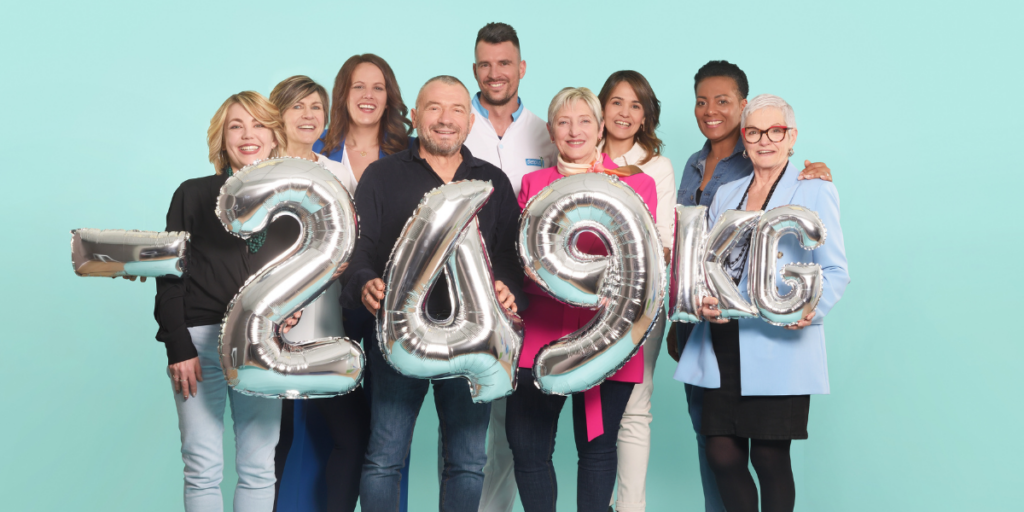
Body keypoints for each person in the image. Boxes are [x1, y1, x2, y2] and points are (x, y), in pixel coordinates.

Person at [344, 75, 523, 512]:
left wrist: (509, 287)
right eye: (435, 108)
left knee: (467, 461)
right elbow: (359, 247)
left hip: (472, 341)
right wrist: (365, 280)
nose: (446, 120)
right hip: (399, 335)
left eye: (457, 109)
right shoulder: (382, 176)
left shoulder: (493, 180)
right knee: (385, 458)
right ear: (415, 115)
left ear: (470, 119)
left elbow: (509, 255)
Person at [670, 60, 834, 512]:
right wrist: (699, 299)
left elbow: (835, 270)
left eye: (775, 131)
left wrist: (811, 310)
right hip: (722, 338)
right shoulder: (727, 191)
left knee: (768, 454)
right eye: (755, 133)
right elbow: (708, 262)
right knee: (721, 451)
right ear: (744, 137)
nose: (765, 140)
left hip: (779, 341)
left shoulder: (814, 189)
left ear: (792, 137)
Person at [507, 87, 657, 512]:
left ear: (600, 127)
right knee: (527, 445)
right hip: (539, 331)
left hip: (611, 335)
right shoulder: (533, 184)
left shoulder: (637, 184)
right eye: (564, 122)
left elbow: (639, 264)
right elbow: (523, 259)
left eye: (585, 121)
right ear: (552, 130)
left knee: (598, 448)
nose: (575, 131)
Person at [155, 91, 293, 512]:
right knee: (201, 464)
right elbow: (167, 274)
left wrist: (292, 307)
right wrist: (177, 345)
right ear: (222, 139)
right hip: (198, 344)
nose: (248, 135)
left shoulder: (293, 204)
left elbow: (297, 275)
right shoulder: (193, 195)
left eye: (258, 125)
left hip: (261, 344)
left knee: (258, 465)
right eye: (237, 126)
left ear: (273, 138)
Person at [461, 22, 557, 512]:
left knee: (513, 428)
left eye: (504, 64)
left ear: (521, 68)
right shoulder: (456, 123)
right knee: (465, 423)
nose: (495, 73)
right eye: (485, 64)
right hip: (461, 295)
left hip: (527, 295)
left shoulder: (546, 130)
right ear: (474, 68)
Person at [267, 75, 365, 512]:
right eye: (298, 107)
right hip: (272, 329)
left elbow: (354, 241)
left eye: (316, 108)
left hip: (326, 325)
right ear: (278, 115)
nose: (309, 116)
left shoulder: (338, 172)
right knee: (275, 440)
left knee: (352, 436)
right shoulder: (261, 174)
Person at [595, 70, 673, 512]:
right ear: (601, 107)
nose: (624, 113)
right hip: (586, 302)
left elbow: (664, 240)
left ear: (646, 116)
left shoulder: (656, 166)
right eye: (617, 102)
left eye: (635, 105)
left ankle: (629, 507)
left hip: (641, 302)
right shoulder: (582, 152)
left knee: (634, 406)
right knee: (594, 407)